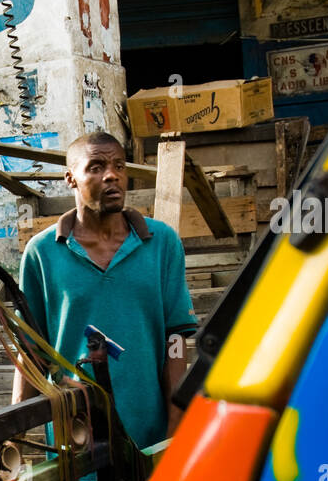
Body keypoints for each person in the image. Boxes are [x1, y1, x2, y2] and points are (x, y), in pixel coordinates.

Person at [13, 132, 197, 461]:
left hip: (149, 438)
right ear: (70, 178)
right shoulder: (41, 254)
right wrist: (13, 440)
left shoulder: (161, 244)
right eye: (96, 167)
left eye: (118, 166)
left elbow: (176, 340)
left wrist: (177, 428)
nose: (111, 175)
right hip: (75, 440)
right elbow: (31, 353)